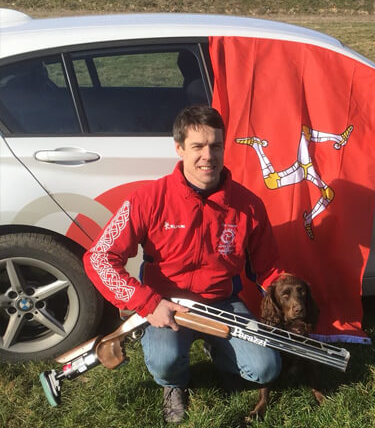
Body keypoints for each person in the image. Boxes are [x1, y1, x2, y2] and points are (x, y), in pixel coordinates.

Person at [83, 105, 283, 423]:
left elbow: (269, 267)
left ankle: (218, 349)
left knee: (265, 369)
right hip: (166, 305)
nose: (208, 156)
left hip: (223, 303)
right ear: (179, 148)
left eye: (215, 145)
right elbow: (99, 258)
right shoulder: (147, 199)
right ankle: (174, 384)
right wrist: (147, 303)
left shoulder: (248, 205)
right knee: (165, 362)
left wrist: (290, 296)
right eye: (198, 146)